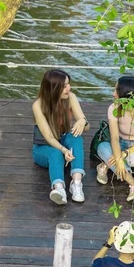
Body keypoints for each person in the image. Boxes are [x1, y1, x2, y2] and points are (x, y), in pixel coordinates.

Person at [32, 69, 90, 205]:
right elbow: (48, 137)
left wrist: (82, 121)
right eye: (64, 86)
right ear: (53, 88)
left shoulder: (71, 97)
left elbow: (86, 127)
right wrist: (64, 150)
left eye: (69, 84)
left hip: (63, 138)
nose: (68, 88)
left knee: (76, 138)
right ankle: (59, 189)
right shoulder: (38, 105)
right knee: (55, 153)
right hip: (44, 146)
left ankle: (76, 184)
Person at [96, 76, 134, 202]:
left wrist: (122, 156)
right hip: (121, 144)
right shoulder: (114, 108)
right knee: (102, 147)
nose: (113, 94)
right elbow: (114, 137)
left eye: (117, 91)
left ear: (127, 95)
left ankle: (107, 164)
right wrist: (119, 159)